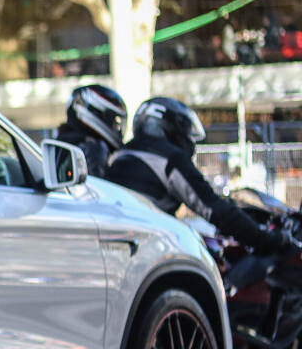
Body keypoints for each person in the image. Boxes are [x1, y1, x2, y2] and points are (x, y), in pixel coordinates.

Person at [106, 96, 296, 252]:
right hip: (147, 247)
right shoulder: (169, 158)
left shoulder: (120, 153)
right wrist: (267, 239)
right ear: (171, 126)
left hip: (117, 242)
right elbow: (212, 208)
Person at [55, 84, 127, 178]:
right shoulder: (94, 148)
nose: (116, 126)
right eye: (114, 121)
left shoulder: (63, 143)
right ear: (99, 115)